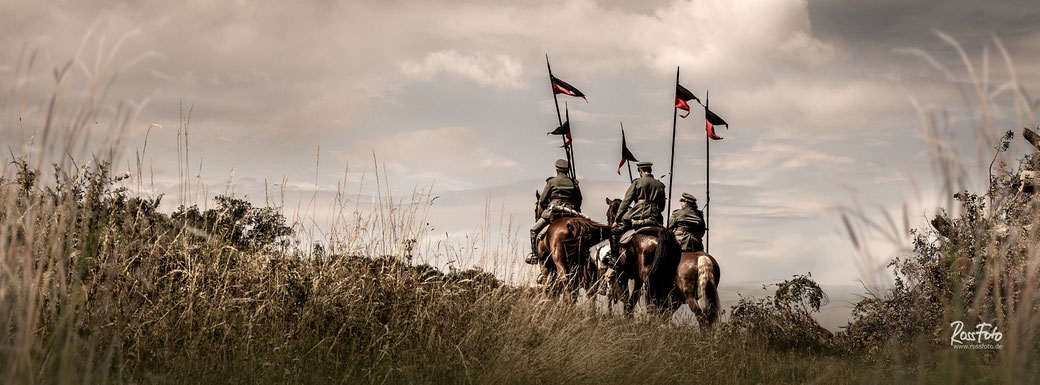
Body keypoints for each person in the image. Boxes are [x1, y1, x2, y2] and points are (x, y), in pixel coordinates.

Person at [525, 159, 582, 264]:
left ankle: (534, 255)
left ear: (557, 170)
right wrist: (576, 210)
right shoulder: (574, 183)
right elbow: (579, 199)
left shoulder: (551, 182)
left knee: (533, 230)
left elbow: (542, 200)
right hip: (571, 211)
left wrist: (545, 208)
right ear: (567, 170)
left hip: (553, 211)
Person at [613, 162, 666, 231]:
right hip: (655, 215)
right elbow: (662, 207)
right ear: (651, 171)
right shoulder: (660, 185)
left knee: (620, 227)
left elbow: (626, 202)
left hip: (638, 212)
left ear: (641, 171)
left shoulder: (637, 182)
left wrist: (617, 219)